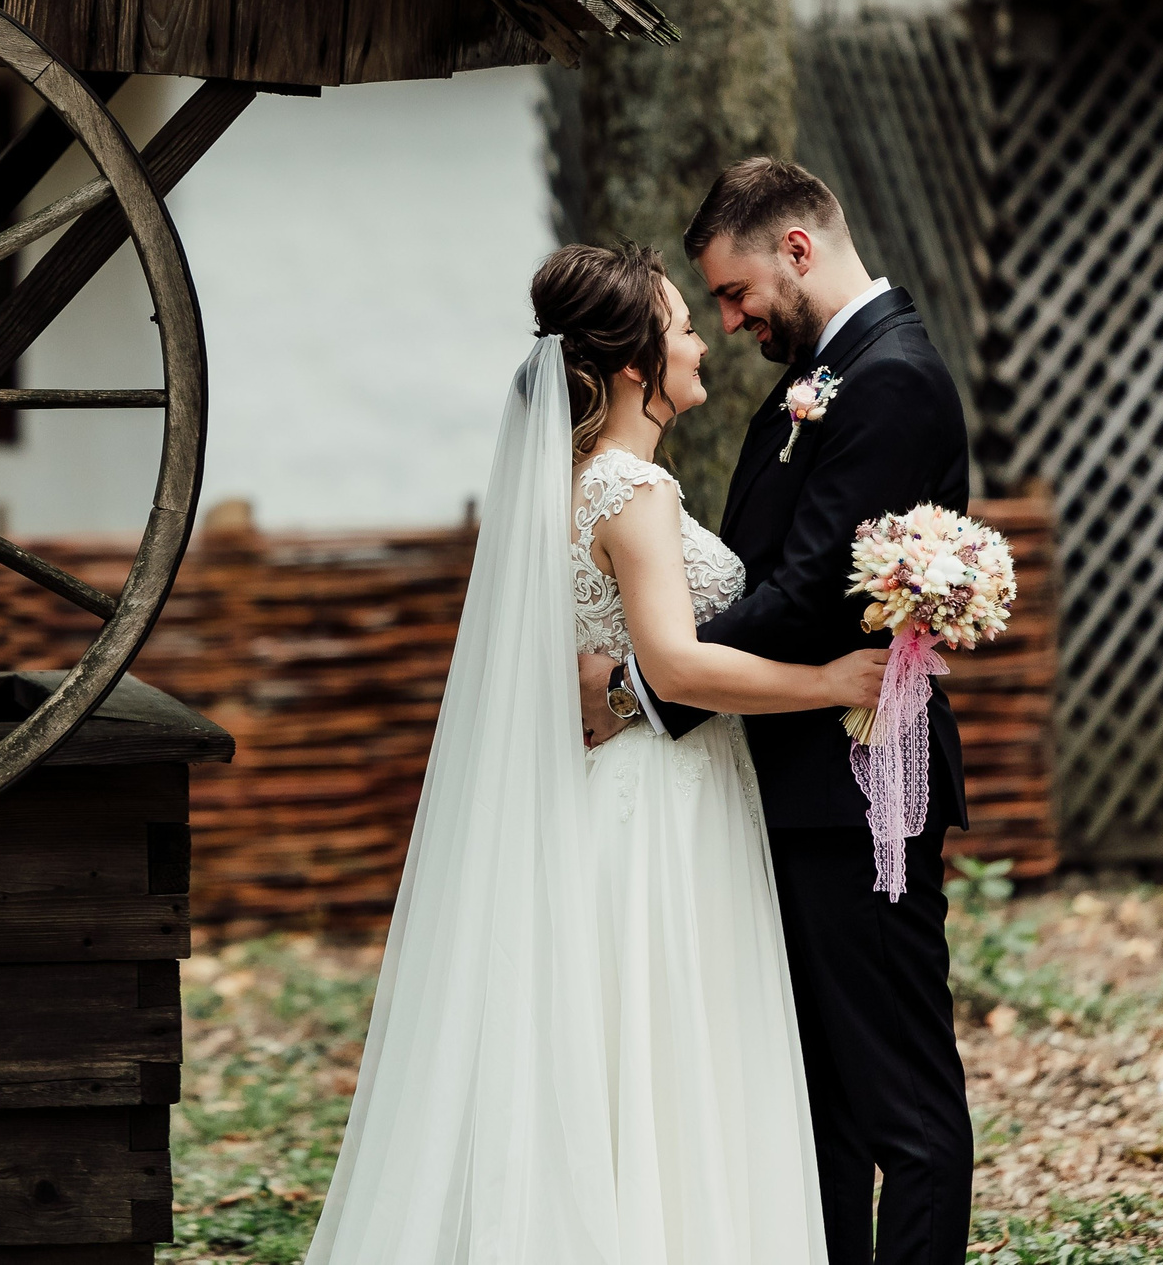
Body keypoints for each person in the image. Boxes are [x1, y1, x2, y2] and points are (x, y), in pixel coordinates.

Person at [304, 236, 886, 1265]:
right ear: (633, 365)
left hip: (611, 791)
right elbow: (676, 666)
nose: (701, 343)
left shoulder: (569, 485)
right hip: (661, 801)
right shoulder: (637, 494)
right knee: (662, 1042)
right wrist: (826, 685)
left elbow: (618, 666)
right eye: (681, 326)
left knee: (608, 1046)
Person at [588, 158, 976, 1265]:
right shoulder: (821, 375)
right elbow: (769, 573)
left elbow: (807, 596)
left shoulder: (890, 378)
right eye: (712, 305)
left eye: (733, 291)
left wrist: (643, 685)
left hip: (858, 792)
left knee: (900, 1103)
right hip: (791, 785)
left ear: (795, 251)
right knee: (821, 1106)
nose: (728, 318)